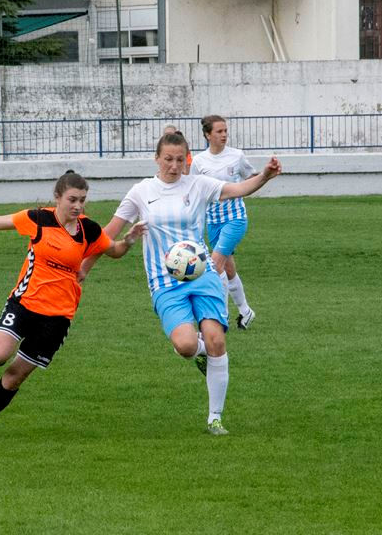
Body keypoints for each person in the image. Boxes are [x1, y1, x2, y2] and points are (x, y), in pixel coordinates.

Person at [81, 131, 281, 436]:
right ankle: (200, 351)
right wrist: (84, 265)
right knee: (186, 346)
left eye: (179, 160)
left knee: (216, 340)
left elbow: (239, 188)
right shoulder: (141, 191)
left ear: (187, 159)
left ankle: (215, 418)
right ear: (156, 159)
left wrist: (264, 175)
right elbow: (108, 233)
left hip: (203, 275)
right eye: (167, 159)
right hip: (164, 282)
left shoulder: (198, 185)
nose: (174, 166)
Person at [0, 171, 146, 439]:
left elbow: (114, 251)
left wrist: (129, 240)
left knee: (15, 376)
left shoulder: (89, 229)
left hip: (58, 317)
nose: (78, 206)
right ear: (57, 197)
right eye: (72, 200)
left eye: (82, 200)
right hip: (24, 303)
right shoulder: (38, 219)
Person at [190, 115, 258, 329]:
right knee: (228, 270)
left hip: (235, 219)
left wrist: (242, 191)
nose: (224, 135)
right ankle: (246, 312)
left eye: (225, 131)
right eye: (219, 131)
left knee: (215, 264)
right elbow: (193, 189)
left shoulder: (237, 156)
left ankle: (221, 316)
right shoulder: (199, 161)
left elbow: (252, 177)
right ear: (207, 135)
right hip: (213, 222)